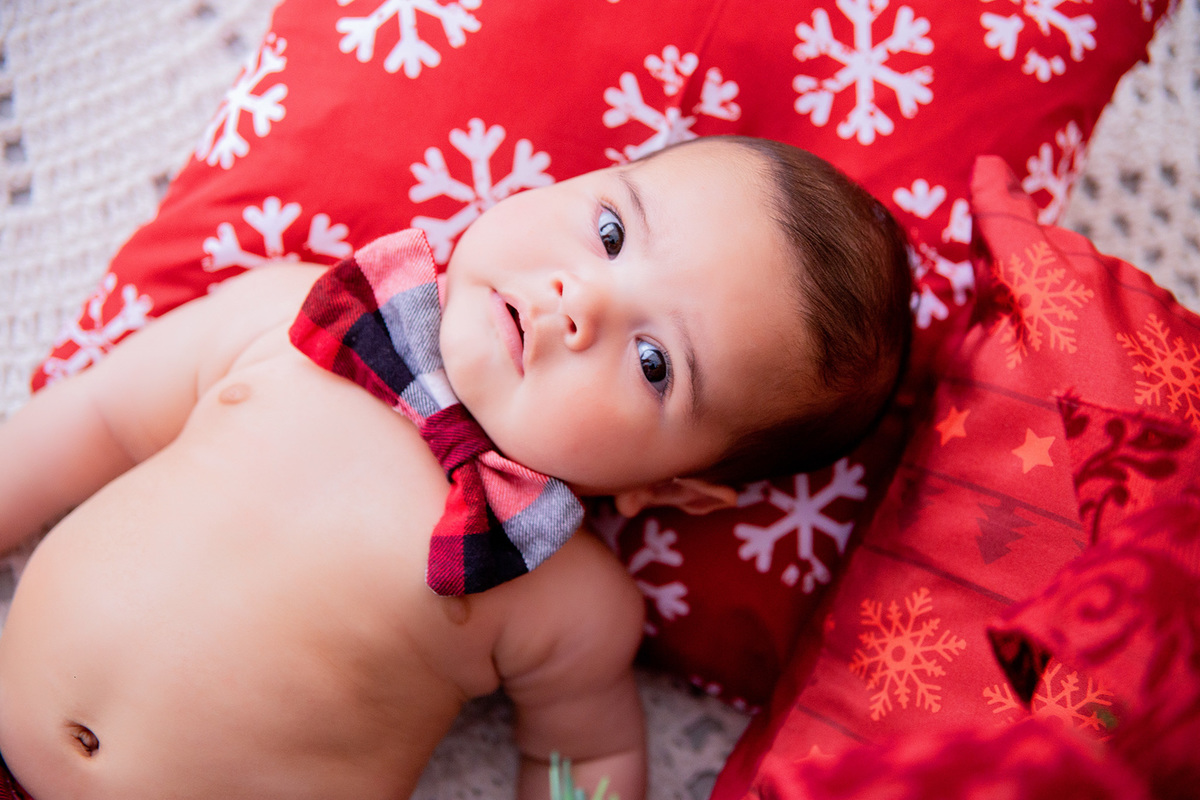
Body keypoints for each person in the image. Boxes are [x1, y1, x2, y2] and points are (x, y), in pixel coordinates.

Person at [0, 135, 911, 800]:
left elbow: (580, 764)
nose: (579, 301)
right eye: (608, 231)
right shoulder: (295, 318)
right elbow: (90, 421)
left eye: (654, 364)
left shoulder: (562, 597)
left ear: (669, 489)